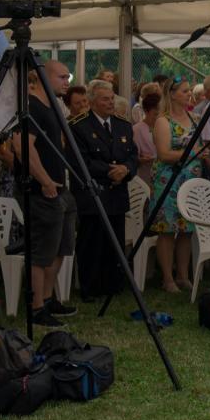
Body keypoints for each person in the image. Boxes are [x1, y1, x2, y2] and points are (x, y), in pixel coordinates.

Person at [12, 59, 78, 326]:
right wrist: (44, 180)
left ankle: (49, 300)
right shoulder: (31, 107)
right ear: (41, 77)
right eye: (61, 77)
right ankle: (36, 307)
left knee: (60, 248)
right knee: (41, 252)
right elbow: (22, 146)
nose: (67, 82)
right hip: (41, 192)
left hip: (60, 189)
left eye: (68, 77)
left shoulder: (53, 106)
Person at [69, 79, 138, 301]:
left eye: (111, 98)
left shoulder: (123, 125)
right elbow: (80, 161)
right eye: (105, 99)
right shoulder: (79, 126)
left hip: (117, 194)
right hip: (94, 195)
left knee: (114, 241)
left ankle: (112, 285)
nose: (110, 103)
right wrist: (111, 171)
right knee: (92, 242)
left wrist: (126, 169)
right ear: (92, 102)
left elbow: (132, 155)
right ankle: (90, 287)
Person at [150, 77, 203, 292]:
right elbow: (164, 154)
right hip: (169, 181)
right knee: (167, 229)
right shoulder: (163, 121)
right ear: (171, 94)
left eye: (189, 90)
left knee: (186, 229)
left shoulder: (194, 118)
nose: (189, 94)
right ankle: (167, 278)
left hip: (190, 181)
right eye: (184, 91)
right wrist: (192, 153)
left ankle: (183, 275)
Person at [132, 91, 160, 185]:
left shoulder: (165, 126)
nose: (158, 115)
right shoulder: (137, 129)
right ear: (146, 111)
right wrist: (141, 160)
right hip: (145, 177)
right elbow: (133, 157)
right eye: (155, 113)